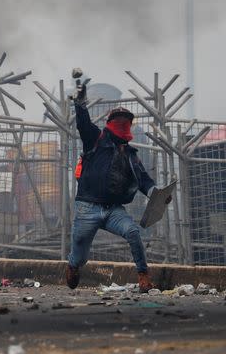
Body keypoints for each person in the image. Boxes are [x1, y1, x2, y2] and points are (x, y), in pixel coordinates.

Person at [66, 82, 171, 293]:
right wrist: (80, 103)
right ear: (110, 123)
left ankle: (143, 275)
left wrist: (157, 195)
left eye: (126, 121)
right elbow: (83, 124)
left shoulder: (130, 155)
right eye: (118, 120)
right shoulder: (95, 139)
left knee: (132, 232)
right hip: (87, 207)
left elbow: (145, 182)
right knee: (79, 255)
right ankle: (73, 266)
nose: (122, 124)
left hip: (113, 209)